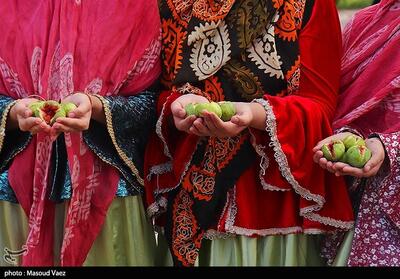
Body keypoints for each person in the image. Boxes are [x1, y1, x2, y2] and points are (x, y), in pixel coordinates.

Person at [144, 0, 354, 267]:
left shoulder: (307, 4)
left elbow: (320, 105)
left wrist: (255, 114)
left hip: (270, 207)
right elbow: (151, 93)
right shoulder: (172, 5)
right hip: (190, 197)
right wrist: (175, 106)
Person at [0, 1, 161, 266]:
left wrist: (98, 107)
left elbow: (155, 105)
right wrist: (13, 113)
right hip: (16, 199)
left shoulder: (135, 5)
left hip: (108, 202)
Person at [313, 0, 400, 266]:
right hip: (361, 212)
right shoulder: (366, 23)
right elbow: (343, 104)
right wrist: (346, 136)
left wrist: (388, 146)